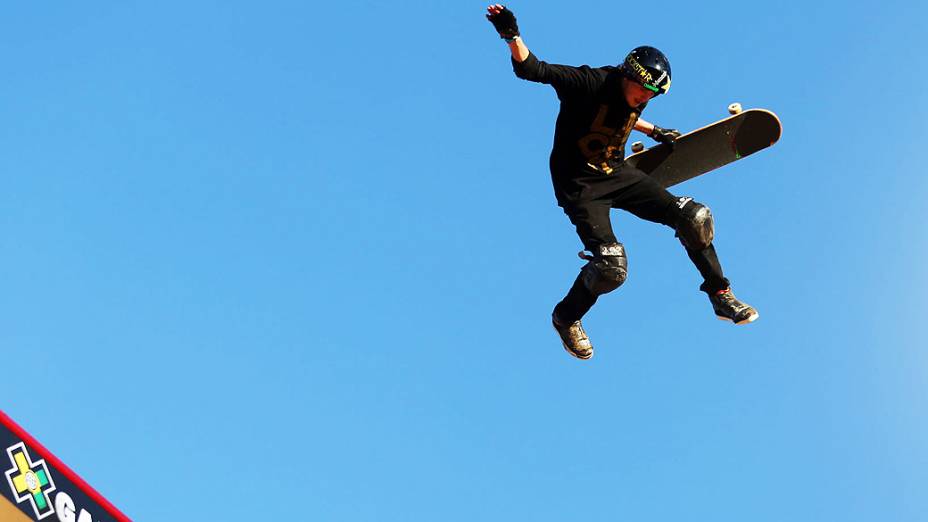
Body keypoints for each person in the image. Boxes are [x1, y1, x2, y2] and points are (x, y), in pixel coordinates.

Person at [485, 4, 759, 360]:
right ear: (628, 75)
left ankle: (720, 296)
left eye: (653, 95)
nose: (646, 98)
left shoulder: (640, 94)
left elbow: (625, 116)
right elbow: (532, 69)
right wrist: (510, 35)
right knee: (611, 269)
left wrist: (655, 130)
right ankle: (566, 318)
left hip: (616, 172)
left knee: (695, 218)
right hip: (580, 187)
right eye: (644, 90)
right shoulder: (588, 82)